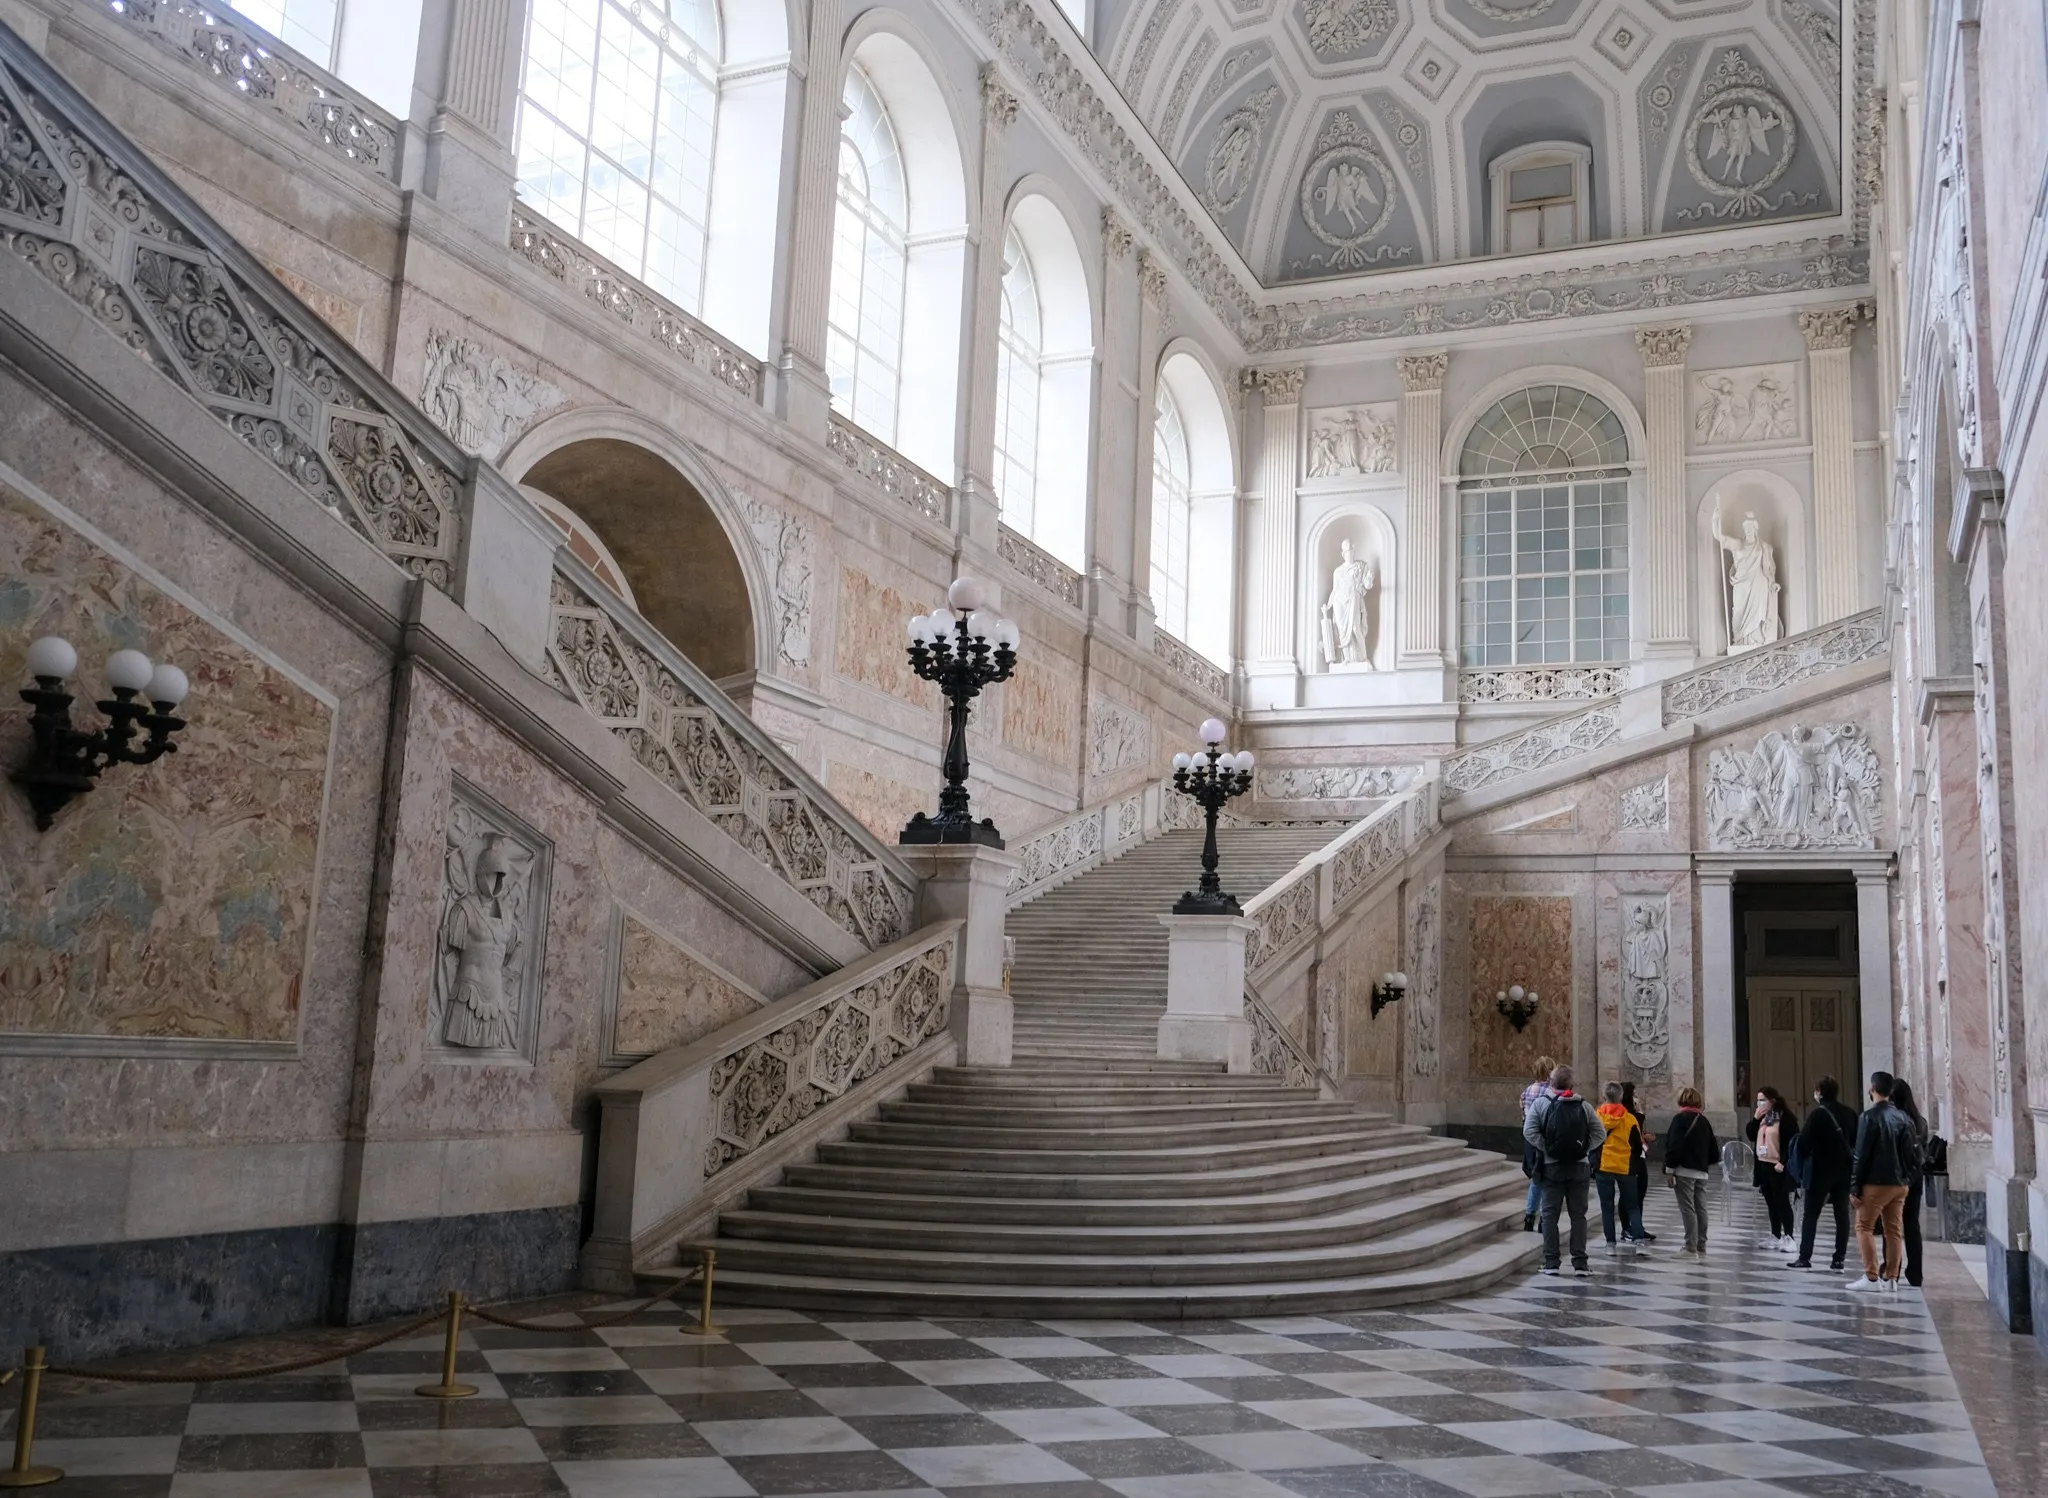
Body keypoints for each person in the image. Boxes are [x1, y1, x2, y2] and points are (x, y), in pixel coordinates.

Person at [1523, 1064, 1606, 1276]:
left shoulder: (1542, 1104)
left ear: (1551, 1082)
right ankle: (1580, 1263)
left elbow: (1529, 1131)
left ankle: (1551, 1262)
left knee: (1550, 1216)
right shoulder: (1584, 1106)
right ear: (1572, 1084)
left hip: (1552, 1168)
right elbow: (1600, 1133)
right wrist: (1584, 1149)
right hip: (1580, 1167)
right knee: (1579, 1216)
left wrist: (1548, 1148)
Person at [1847, 1070, 1921, 1294]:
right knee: (1894, 1230)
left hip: (1875, 1182)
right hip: (1899, 1184)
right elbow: (1911, 1154)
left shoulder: (1868, 1117)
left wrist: (1854, 1187)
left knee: (1863, 1227)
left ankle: (1871, 1276)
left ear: (1873, 1089)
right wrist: (1906, 1179)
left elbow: (1861, 1155)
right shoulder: (1904, 1118)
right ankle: (1892, 1278)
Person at [1788, 1074, 1860, 1272]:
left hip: (1820, 1171)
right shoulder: (1850, 1113)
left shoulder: (1817, 1114)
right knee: (1842, 1215)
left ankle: (1805, 1257)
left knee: (1811, 1214)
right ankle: (1839, 1259)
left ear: (1819, 1092)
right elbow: (1856, 1143)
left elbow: (1803, 1143)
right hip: (1844, 1171)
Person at [1661, 1086, 1719, 1258]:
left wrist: (1670, 1168)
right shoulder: (1703, 1120)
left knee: (1687, 1208)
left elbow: (1674, 1145)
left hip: (1684, 1170)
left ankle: (1690, 1246)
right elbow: (1714, 1150)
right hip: (1702, 1172)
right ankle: (1701, 1245)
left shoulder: (1680, 1119)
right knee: (1701, 1208)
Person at [1746, 1086, 1801, 1251]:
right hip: (1763, 1164)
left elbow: (1791, 1142)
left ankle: (1789, 1236)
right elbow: (1750, 1134)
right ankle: (1775, 1234)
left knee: (1782, 1201)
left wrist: (1783, 1162)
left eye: (1763, 1099)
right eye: (1758, 1099)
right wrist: (1755, 1119)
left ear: (1772, 1101)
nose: (1760, 1102)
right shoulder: (1763, 1117)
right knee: (1771, 1202)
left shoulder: (1785, 1118)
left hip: (1778, 1165)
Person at [1595, 1083, 1647, 1249]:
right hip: (1625, 1166)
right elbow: (1638, 1146)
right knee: (1632, 1206)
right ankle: (1639, 1241)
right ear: (1621, 1097)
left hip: (1604, 1165)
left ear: (1605, 1096)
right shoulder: (1630, 1119)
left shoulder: (1596, 1117)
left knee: (1607, 1206)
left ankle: (1610, 1243)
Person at [1891, 1079, 1931, 1289]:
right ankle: (1915, 1273)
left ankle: (1893, 1270)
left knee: (1892, 1226)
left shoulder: (1893, 1120)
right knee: (1912, 1226)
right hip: (1915, 1178)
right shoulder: (1920, 1120)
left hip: (1896, 1179)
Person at [1518, 1055, 1558, 1232]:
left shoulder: (1527, 1091)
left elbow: (1523, 1114)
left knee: (1536, 1178)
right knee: (1548, 1180)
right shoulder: (1550, 1092)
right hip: (1544, 1139)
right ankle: (1544, 1219)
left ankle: (1529, 1216)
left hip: (1529, 1138)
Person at [1621, 1081, 1656, 1242]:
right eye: (1634, 1094)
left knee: (1639, 1194)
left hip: (1637, 1156)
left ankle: (1637, 1226)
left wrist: (1646, 1137)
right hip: (1631, 1158)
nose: (1637, 1097)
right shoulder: (1629, 1115)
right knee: (1631, 1195)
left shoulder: (1633, 1115)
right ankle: (1628, 1228)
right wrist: (1639, 1111)